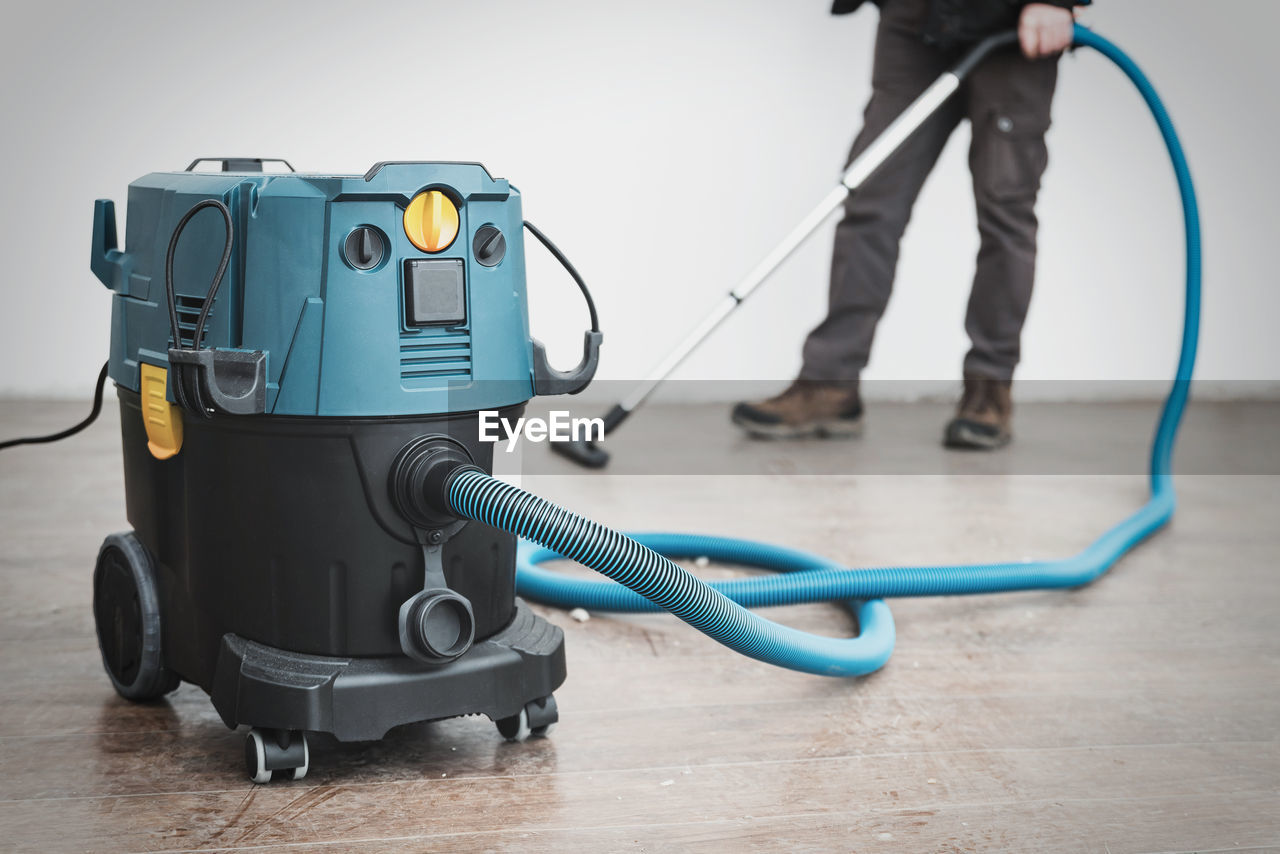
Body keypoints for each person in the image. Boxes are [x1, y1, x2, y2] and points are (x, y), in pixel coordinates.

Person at [732, 0, 1086, 449]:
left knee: (1005, 213)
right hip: (914, 18)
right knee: (870, 200)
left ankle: (989, 390)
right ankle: (829, 384)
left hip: (1012, 24)